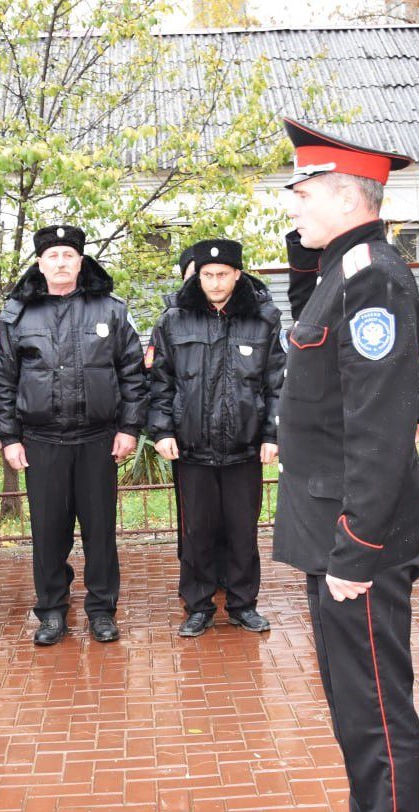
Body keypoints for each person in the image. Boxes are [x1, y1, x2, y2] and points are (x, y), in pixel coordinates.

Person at [274, 117, 419, 812]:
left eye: (301, 191)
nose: (290, 205)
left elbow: (378, 425)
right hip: (328, 520)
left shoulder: (372, 277)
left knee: (375, 697)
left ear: (343, 192)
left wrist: (357, 546)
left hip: (357, 530)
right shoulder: (342, 269)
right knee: (348, 692)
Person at [0, 225, 147, 645]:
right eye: (52, 256)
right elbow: (2, 381)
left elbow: (132, 372)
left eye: (68, 255)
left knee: (100, 531)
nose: (60, 263)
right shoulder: (17, 313)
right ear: (39, 263)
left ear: (81, 261)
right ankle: (52, 611)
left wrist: (129, 427)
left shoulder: (110, 309)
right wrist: (9, 438)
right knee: (48, 532)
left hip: (98, 439)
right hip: (42, 441)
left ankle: (101, 609)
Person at [147, 238, 284, 636]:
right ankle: (199, 606)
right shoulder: (174, 320)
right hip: (191, 447)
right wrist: (162, 430)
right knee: (197, 532)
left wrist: (272, 434)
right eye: (208, 275)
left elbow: (276, 383)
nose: (215, 282)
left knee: (243, 530)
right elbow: (160, 383)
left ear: (237, 274)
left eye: (223, 274)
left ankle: (243, 604)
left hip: (244, 447)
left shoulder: (263, 319)